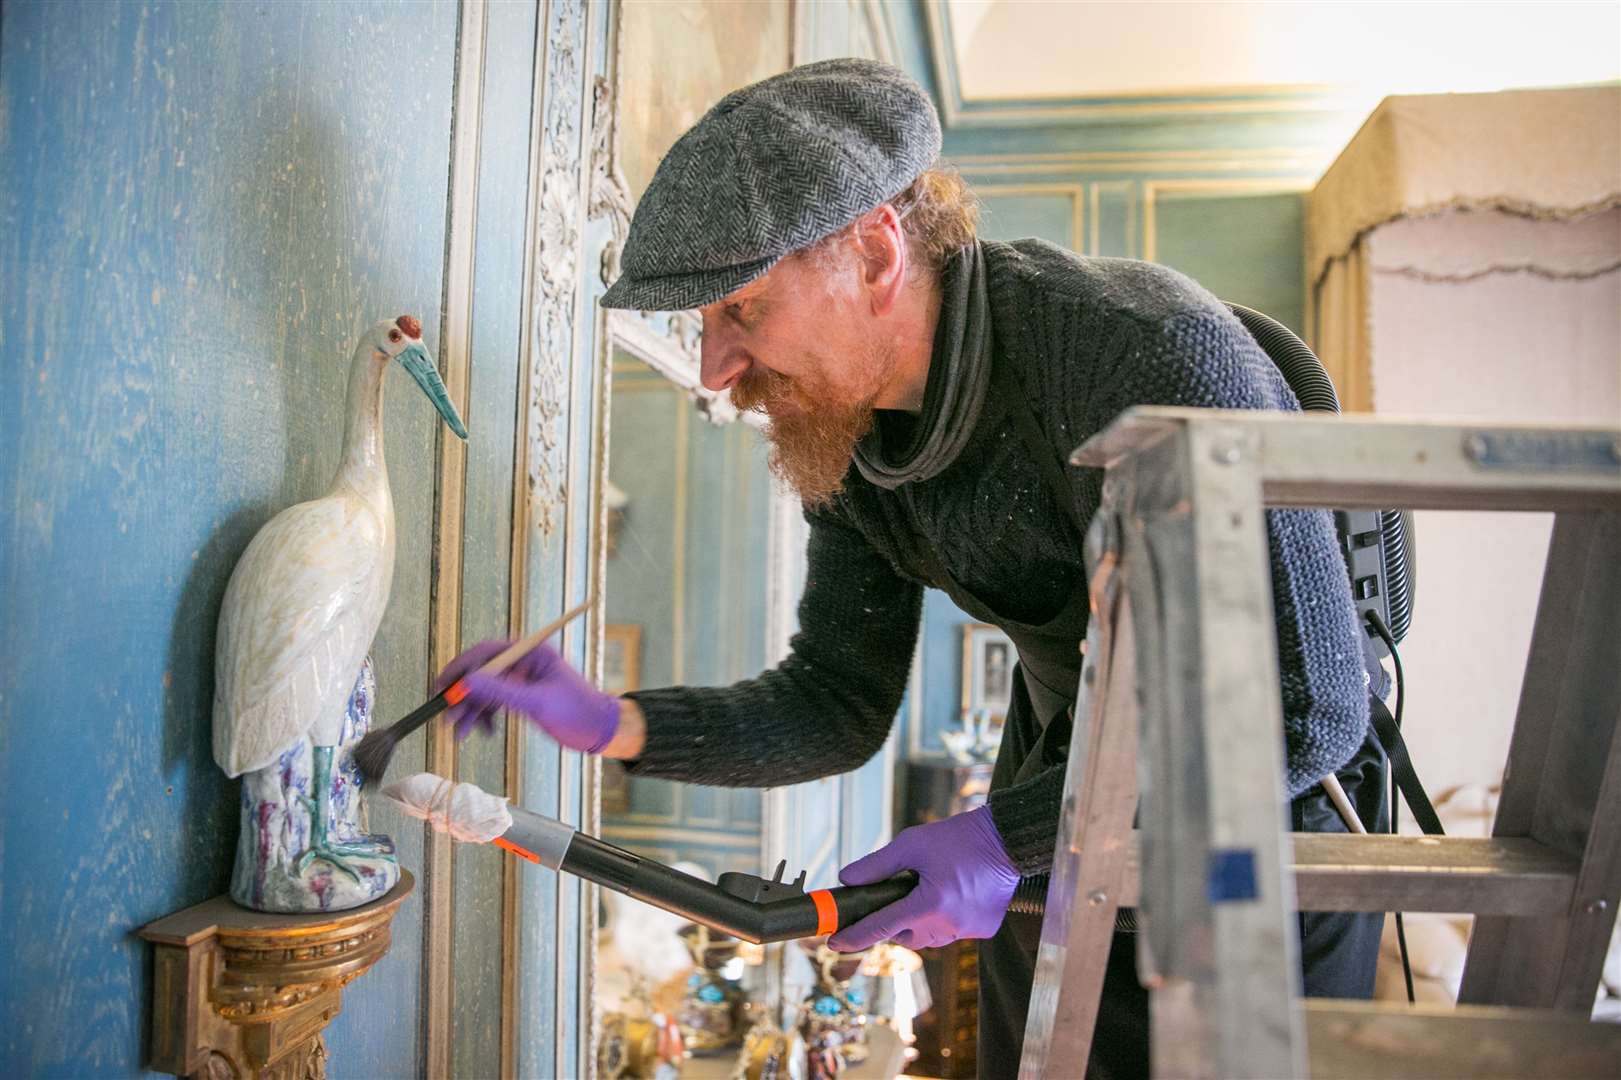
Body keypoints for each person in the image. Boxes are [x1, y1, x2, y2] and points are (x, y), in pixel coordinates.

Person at [438, 58, 1386, 1078]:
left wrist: (999, 843)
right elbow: (837, 701)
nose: (715, 372)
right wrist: (621, 724)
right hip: (1061, 788)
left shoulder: (1147, 350)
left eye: (741, 312)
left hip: (1259, 828)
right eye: (703, 326)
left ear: (877, 253)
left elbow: (1306, 708)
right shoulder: (847, 437)